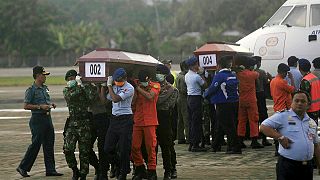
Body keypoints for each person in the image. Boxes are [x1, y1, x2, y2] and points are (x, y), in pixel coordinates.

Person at [260, 91, 320, 180]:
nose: (299, 103)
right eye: (296, 101)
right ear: (292, 102)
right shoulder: (283, 116)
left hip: (307, 167)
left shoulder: (311, 122)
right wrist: (280, 137)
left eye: (303, 101)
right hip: (288, 165)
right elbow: (263, 127)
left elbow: (316, 145)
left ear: (308, 105)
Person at [16, 66, 63, 177]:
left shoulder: (44, 88)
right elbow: (26, 106)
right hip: (37, 120)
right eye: (43, 75)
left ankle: (50, 169)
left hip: (47, 118)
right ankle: (22, 167)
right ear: (38, 76)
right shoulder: (31, 90)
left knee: (49, 144)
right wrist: (39, 107)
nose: (45, 77)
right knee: (35, 145)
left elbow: (45, 101)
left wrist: (50, 105)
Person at [63, 70, 97, 179]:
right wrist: (79, 86)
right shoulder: (67, 90)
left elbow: (91, 98)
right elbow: (70, 96)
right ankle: (74, 169)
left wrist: (83, 85)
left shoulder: (86, 87)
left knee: (84, 152)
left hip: (85, 123)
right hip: (72, 123)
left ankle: (83, 174)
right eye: (68, 80)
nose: (70, 81)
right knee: (67, 149)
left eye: (72, 79)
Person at [205, 56, 242, 154]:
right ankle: (216, 146)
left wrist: (205, 95)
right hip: (234, 102)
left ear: (219, 65)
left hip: (223, 104)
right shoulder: (232, 74)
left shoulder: (219, 76)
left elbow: (213, 89)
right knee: (223, 125)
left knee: (228, 126)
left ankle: (235, 147)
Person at [103, 68, 134, 180]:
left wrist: (110, 86)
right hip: (114, 120)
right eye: (116, 81)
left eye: (120, 80)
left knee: (124, 148)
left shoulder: (129, 88)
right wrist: (103, 86)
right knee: (107, 148)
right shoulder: (114, 86)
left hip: (126, 119)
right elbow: (104, 100)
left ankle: (124, 173)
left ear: (125, 79)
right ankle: (117, 165)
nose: (118, 82)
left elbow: (115, 99)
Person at [131, 70, 160, 180]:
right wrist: (134, 89)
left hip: (150, 120)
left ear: (149, 79)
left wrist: (138, 88)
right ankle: (139, 167)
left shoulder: (155, 85)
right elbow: (133, 102)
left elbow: (150, 96)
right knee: (134, 146)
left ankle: (152, 170)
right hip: (138, 120)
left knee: (150, 147)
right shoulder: (136, 85)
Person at [155, 64, 179, 179]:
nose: (157, 75)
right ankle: (151, 170)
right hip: (153, 117)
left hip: (165, 119)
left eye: (159, 73)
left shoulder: (172, 90)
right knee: (152, 147)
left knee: (167, 145)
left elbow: (164, 104)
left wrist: (154, 97)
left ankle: (170, 169)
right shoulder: (152, 87)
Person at [236, 56, 264, 149]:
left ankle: (240, 140)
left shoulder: (238, 74)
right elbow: (257, 74)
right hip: (251, 100)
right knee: (254, 120)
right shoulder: (253, 74)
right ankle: (254, 140)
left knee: (242, 120)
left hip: (241, 99)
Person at [88, 83, 112, 180]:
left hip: (103, 116)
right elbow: (88, 100)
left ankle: (103, 172)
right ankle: (98, 167)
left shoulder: (107, 85)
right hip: (90, 116)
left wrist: (101, 87)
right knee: (87, 146)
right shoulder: (87, 85)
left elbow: (104, 102)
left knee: (102, 146)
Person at [185, 56, 207, 152]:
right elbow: (204, 85)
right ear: (194, 66)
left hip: (189, 98)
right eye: (197, 64)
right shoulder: (196, 76)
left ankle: (191, 143)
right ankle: (196, 144)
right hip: (196, 98)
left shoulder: (187, 75)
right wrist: (202, 74)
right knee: (197, 122)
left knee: (191, 122)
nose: (198, 66)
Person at [253, 56, 272, 146]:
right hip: (261, 95)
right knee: (263, 116)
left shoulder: (250, 72)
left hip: (253, 95)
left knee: (254, 117)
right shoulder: (262, 72)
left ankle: (255, 138)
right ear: (259, 63)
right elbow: (266, 83)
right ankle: (264, 139)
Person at [300, 58, 320, 124]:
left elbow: (304, 97)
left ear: (300, 68)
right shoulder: (314, 77)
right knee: (314, 126)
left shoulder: (305, 80)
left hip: (310, 109)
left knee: (309, 128)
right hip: (317, 107)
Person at [176, 60, 189, 144]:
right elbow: (183, 90)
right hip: (183, 99)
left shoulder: (178, 76)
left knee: (180, 119)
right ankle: (188, 137)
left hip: (179, 99)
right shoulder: (183, 77)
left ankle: (180, 137)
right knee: (186, 118)